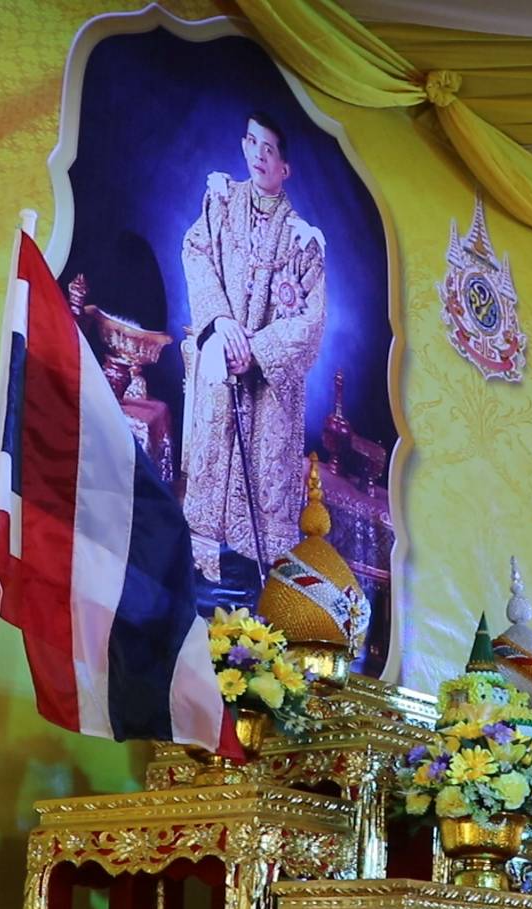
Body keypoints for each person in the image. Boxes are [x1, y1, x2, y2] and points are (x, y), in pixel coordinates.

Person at [179, 111, 326, 583]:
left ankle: (253, 583)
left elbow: (311, 322)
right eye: (251, 142)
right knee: (207, 481)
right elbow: (196, 251)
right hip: (219, 360)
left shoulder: (304, 242)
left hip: (267, 389)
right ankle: (199, 570)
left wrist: (256, 351)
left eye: (270, 149)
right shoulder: (221, 203)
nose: (258, 155)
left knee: (263, 496)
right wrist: (221, 322)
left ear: (285, 167)